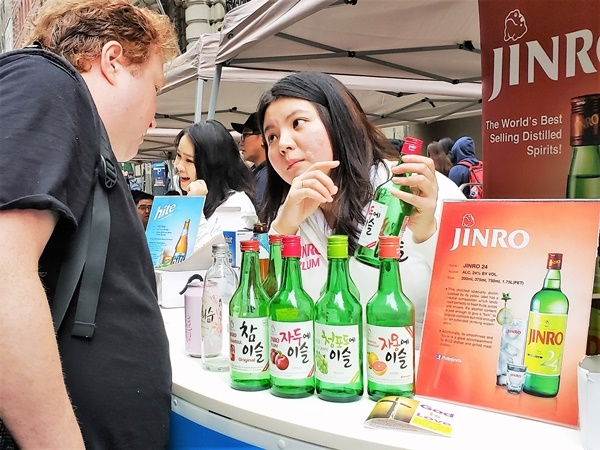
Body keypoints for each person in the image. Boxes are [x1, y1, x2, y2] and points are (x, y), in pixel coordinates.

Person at [0, 1, 178, 448]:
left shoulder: (78, 132)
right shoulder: (47, 80)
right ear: (113, 61)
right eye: (156, 86)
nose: (155, 116)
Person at [256, 72, 465, 347]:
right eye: (271, 137)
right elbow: (260, 311)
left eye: (298, 123)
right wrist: (282, 228)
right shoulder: (289, 215)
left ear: (339, 121)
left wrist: (426, 233)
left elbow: (477, 293)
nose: (282, 144)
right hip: (327, 377)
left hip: (414, 373)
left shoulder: (414, 188)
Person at [174, 120, 258, 250]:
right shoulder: (188, 197)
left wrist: (195, 206)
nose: (178, 166)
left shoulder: (237, 205)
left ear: (213, 165)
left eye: (189, 160)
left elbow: (218, 262)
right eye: (178, 155)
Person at [232, 113, 268, 209]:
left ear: (263, 138)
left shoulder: (268, 175)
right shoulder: (258, 172)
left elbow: (260, 215)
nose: (241, 142)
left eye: (245, 135)